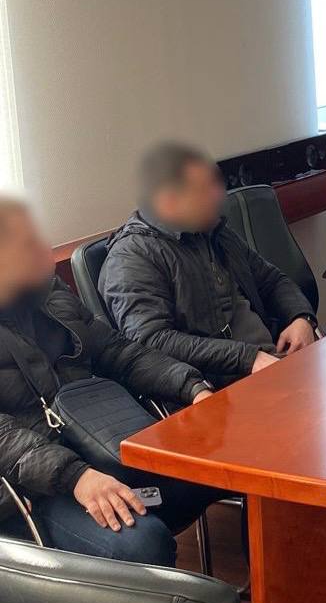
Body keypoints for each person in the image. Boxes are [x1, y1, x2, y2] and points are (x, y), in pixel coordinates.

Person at [0, 197, 216, 566]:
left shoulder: (48, 292)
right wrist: (76, 477)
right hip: (35, 487)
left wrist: (193, 388)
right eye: (28, 243)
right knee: (142, 544)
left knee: (220, 472)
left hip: (102, 445)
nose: (43, 248)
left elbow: (119, 352)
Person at [100, 142, 318, 386]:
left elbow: (272, 280)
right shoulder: (131, 258)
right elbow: (153, 341)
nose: (218, 196)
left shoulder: (213, 230)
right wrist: (247, 358)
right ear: (169, 202)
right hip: (218, 386)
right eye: (203, 190)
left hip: (274, 361)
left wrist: (301, 318)